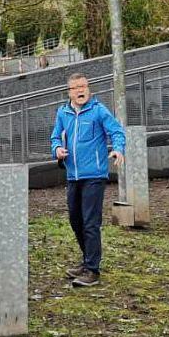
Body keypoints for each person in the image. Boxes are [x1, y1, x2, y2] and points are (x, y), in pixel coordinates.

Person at [50, 73, 126, 288]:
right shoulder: (63, 112)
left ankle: (92, 270)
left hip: (94, 175)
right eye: (75, 88)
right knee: (75, 220)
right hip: (72, 175)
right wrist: (57, 149)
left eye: (83, 86)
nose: (80, 90)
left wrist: (118, 149)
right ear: (69, 92)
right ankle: (86, 261)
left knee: (90, 222)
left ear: (88, 88)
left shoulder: (98, 110)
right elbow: (55, 137)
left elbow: (117, 132)